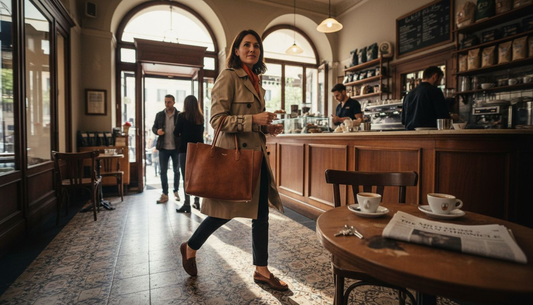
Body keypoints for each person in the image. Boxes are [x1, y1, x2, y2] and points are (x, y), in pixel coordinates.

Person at [179, 29, 287, 291]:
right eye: (246, 45)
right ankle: (191, 246)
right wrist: (254, 120)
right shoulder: (228, 76)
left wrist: (266, 127)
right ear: (236, 51)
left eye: (256, 46)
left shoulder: (255, 79)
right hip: (235, 158)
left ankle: (261, 270)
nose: (252, 49)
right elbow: (217, 120)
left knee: (260, 215)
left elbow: (253, 120)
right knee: (224, 213)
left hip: (255, 157)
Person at [175, 95, 204, 213]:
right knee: (197, 176)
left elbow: (176, 132)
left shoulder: (182, 116)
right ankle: (197, 202)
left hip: (185, 150)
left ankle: (187, 203)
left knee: (186, 177)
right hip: (198, 150)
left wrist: (182, 134)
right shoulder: (200, 117)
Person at [152, 94, 181, 203]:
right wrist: (157, 131)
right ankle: (165, 194)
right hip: (163, 147)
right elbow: (154, 128)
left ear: (174, 102)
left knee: (176, 171)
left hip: (176, 148)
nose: (167, 104)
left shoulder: (179, 115)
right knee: (162, 171)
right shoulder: (159, 115)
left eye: (169, 102)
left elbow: (183, 129)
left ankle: (176, 191)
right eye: (165, 102)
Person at [401, 66, 450, 130]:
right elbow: (443, 117)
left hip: (410, 135)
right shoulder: (435, 91)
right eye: (439, 80)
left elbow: (403, 120)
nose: (438, 83)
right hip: (429, 135)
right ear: (435, 76)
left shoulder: (409, 94)